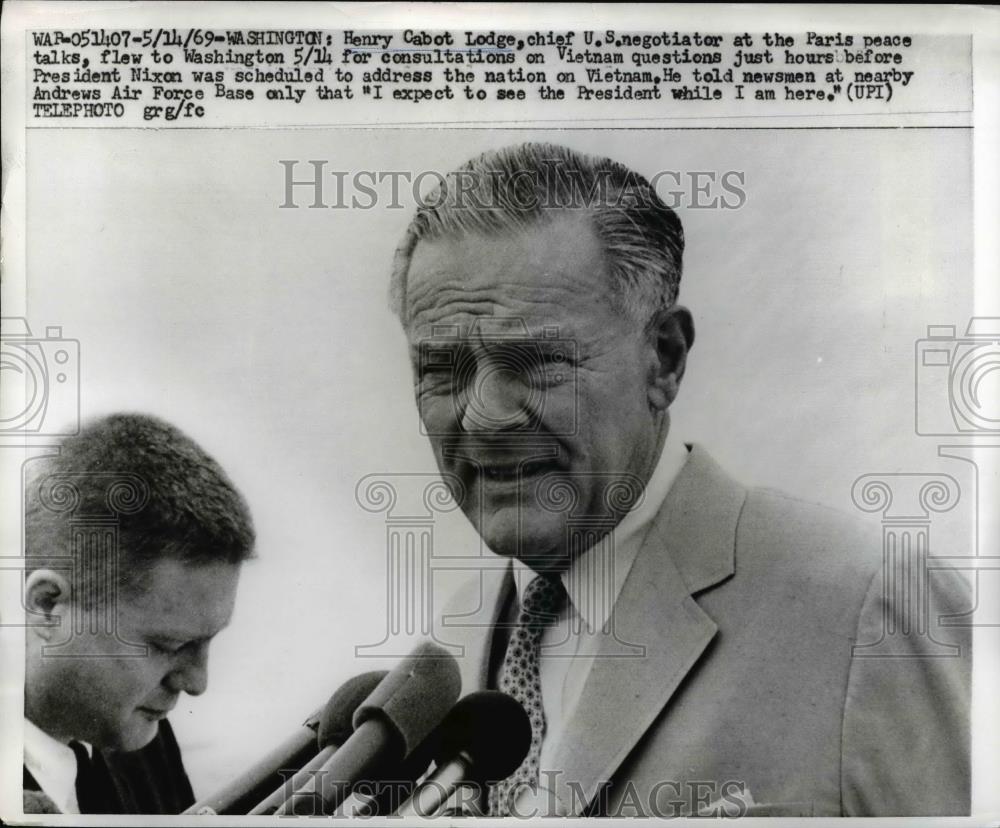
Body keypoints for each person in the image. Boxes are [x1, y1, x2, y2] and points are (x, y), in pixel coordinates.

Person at [390, 143, 971, 817]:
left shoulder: (867, 605)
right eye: (442, 370)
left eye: (538, 360)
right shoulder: (441, 662)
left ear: (664, 359)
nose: (484, 416)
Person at [22, 413, 255, 814]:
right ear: (48, 607)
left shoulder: (138, 738)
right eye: (169, 644)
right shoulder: (127, 722)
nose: (198, 683)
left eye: (207, 641)